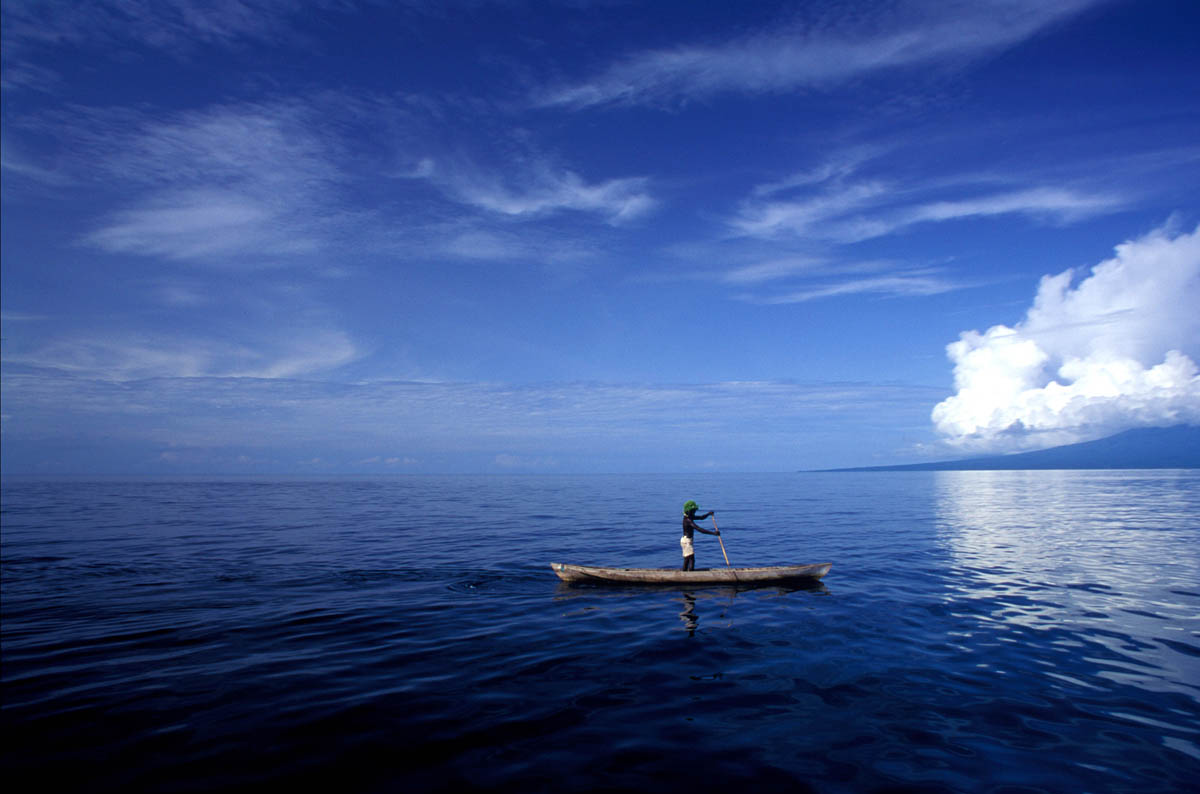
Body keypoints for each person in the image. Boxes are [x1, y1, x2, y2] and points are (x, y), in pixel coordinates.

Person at [680, 500, 718, 571]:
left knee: (688, 559)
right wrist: (713, 533)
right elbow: (699, 529)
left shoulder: (690, 517)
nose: (694, 513)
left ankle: (685, 573)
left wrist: (708, 514)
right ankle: (688, 575)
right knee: (690, 559)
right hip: (687, 542)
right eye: (693, 511)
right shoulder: (688, 520)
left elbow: (701, 517)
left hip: (687, 541)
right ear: (689, 511)